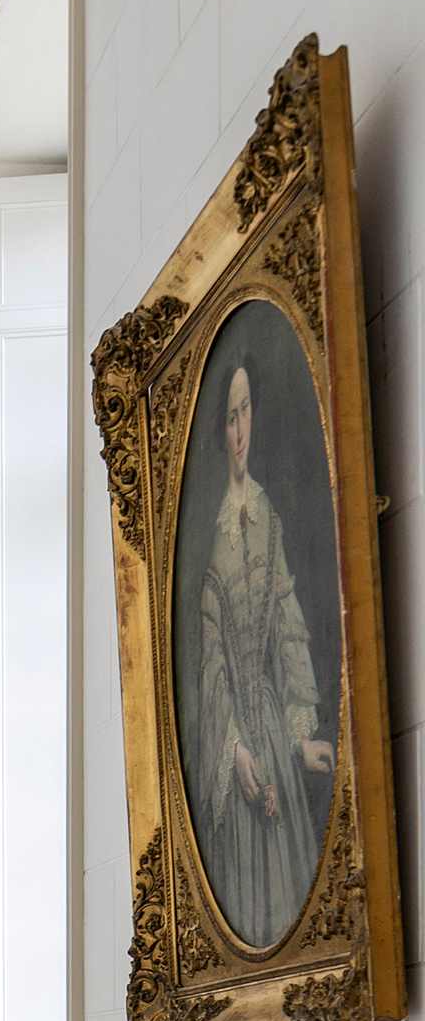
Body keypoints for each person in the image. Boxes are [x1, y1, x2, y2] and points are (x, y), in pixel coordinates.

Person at [188, 351, 334, 948]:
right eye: (229, 415)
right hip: (240, 746)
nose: (241, 428)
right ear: (219, 433)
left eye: (246, 410)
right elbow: (210, 670)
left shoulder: (268, 516)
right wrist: (235, 750)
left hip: (274, 730)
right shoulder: (208, 538)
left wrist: (299, 737)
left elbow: (288, 623)